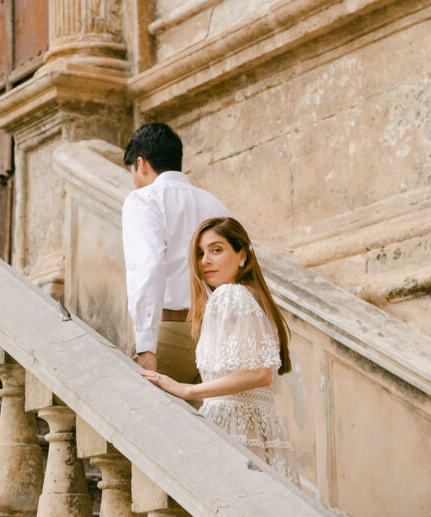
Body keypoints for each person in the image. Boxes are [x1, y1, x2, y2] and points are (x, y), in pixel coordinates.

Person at [140, 216, 299, 484]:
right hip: (256, 426)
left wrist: (187, 389)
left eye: (216, 249)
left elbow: (260, 373)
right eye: (200, 253)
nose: (205, 261)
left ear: (243, 255)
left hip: (236, 426)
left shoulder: (231, 296)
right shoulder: (251, 296)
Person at [122, 123, 229, 382]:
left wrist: (146, 345)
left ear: (141, 163)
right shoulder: (216, 204)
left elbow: (148, 267)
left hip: (168, 333)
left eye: (133, 172)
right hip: (215, 339)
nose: (135, 180)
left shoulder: (143, 199)